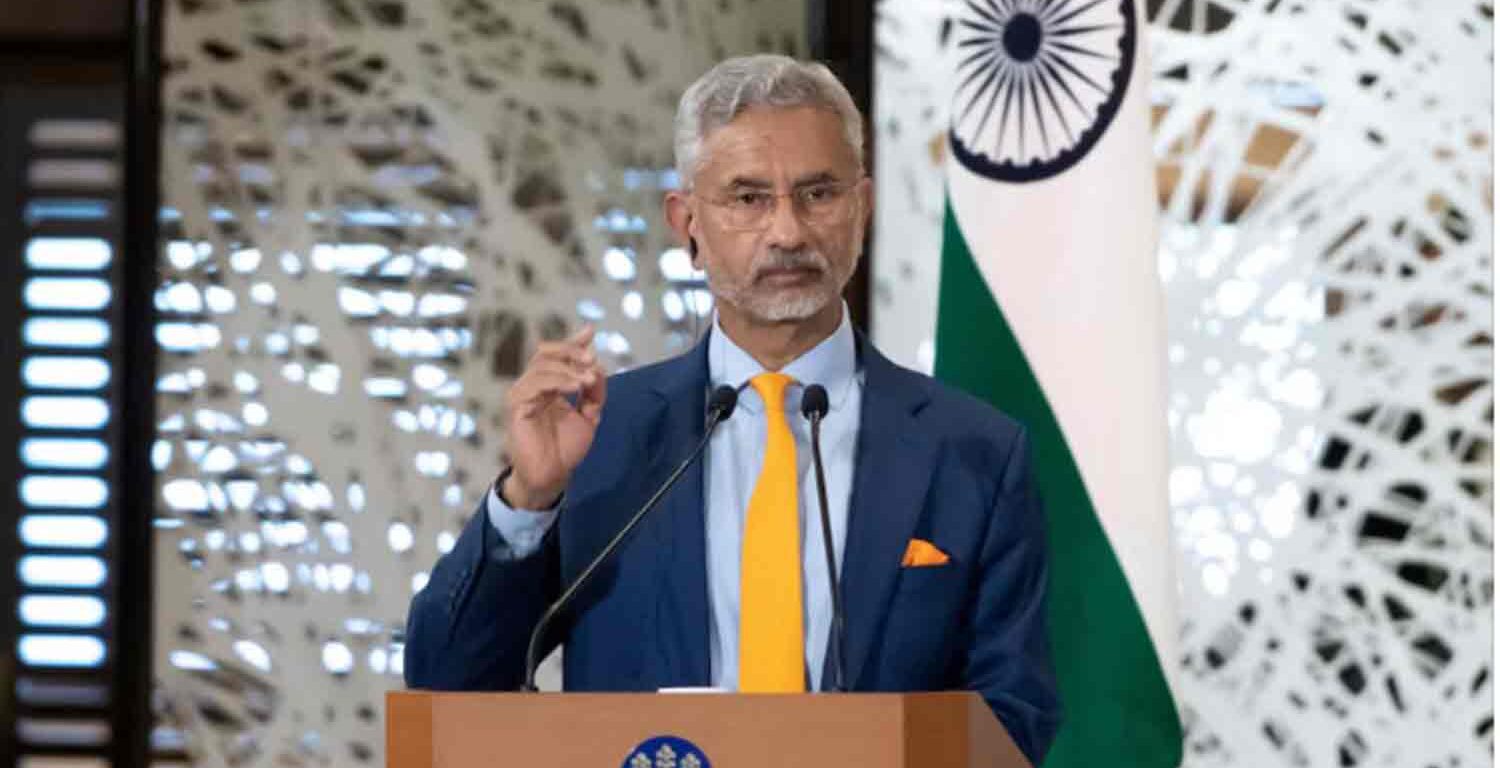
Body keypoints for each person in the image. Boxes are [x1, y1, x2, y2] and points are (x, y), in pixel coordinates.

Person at [404, 54, 1060, 764]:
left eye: (817, 194)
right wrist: (529, 498)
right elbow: (449, 680)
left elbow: (1014, 717)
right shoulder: (604, 436)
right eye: (748, 198)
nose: (787, 231)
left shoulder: (974, 453)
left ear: (862, 209)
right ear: (687, 223)